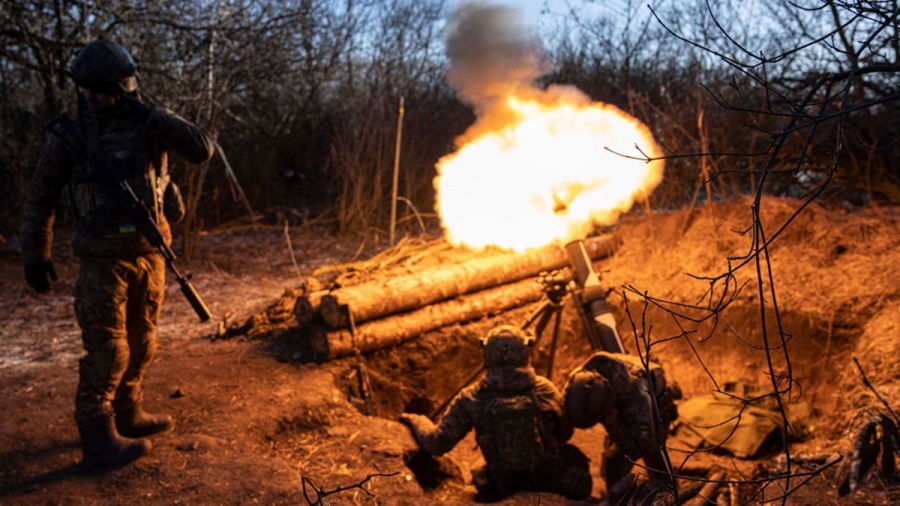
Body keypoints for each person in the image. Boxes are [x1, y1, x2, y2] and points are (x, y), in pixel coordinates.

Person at [21, 39, 215, 467]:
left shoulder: (149, 123)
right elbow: (41, 195)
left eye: (99, 89)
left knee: (143, 343)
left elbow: (202, 148)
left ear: (122, 87)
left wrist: (149, 115)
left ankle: (128, 412)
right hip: (102, 261)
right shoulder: (71, 135)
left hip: (150, 253)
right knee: (109, 350)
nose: (90, 97)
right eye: (85, 89)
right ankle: (97, 436)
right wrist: (35, 253)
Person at [399, 325, 592, 502]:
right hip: (550, 482)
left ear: (486, 353)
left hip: (503, 488)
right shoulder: (545, 390)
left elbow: (437, 443)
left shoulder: (472, 397)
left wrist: (415, 420)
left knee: (479, 468)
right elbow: (565, 433)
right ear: (525, 352)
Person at [562, 350, 682, 498]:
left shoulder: (638, 400)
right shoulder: (590, 375)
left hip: (657, 405)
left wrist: (613, 426)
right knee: (611, 462)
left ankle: (665, 489)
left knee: (620, 463)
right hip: (630, 397)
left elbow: (642, 446)